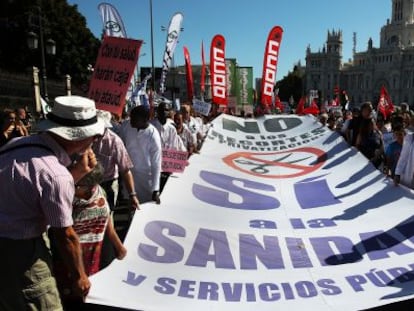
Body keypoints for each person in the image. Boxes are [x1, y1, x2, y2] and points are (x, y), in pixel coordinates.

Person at [0, 95, 104, 310]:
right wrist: (80, 276)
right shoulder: (56, 175)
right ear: (77, 138)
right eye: (93, 136)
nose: (95, 140)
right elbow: (65, 234)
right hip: (22, 255)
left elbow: (37, 192)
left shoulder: (15, 145)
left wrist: (78, 172)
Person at [51, 162, 126, 307]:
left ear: (90, 187)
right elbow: (63, 234)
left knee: (89, 295)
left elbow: (107, 221)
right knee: (70, 297)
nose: (73, 185)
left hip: (93, 256)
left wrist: (119, 246)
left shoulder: (100, 192)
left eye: (78, 185)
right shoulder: (65, 199)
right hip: (70, 256)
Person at [120, 105, 162, 204]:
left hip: (146, 178)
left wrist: (156, 189)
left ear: (145, 119)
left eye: (135, 119)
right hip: (129, 174)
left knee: (144, 209)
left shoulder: (153, 135)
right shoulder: (126, 126)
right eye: (131, 117)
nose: (131, 121)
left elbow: (156, 163)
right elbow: (121, 147)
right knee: (130, 204)